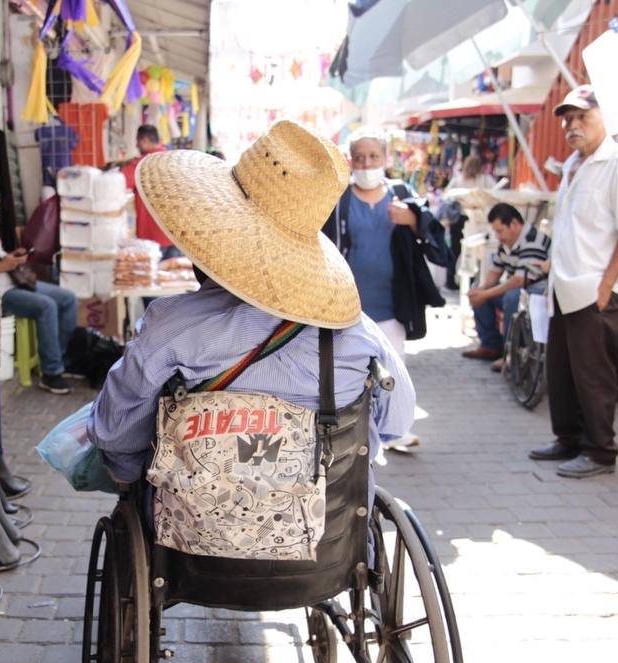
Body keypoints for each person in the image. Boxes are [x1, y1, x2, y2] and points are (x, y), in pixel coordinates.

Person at [88, 120, 415, 492]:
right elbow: (396, 422)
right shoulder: (360, 335)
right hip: (332, 535)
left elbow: (116, 437)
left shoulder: (169, 326)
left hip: (185, 537)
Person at [529, 85, 618, 478]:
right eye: (568, 119)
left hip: (595, 288)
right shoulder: (573, 164)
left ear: (604, 118)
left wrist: (607, 284)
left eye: (582, 117)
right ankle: (569, 440)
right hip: (564, 286)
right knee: (561, 372)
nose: (572, 126)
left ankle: (600, 452)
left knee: (594, 376)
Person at [322, 127, 447, 449]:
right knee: (346, 369)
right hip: (347, 304)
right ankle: (348, 433)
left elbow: (436, 239)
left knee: (394, 369)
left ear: (386, 159)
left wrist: (414, 221)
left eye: (374, 156)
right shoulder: (339, 199)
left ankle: (395, 430)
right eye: (360, 157)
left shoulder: (402, 195)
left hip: (393, 303)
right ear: (351, 160)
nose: (367, 164)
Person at [464, 202, 552, 369]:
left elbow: (519, 280)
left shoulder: (532, 240)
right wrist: (481, 291)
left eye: (500, 231)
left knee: (512, 297)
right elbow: (495, 272)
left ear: (514, 224)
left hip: (538, 290)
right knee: (479, 291)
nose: (498, 236)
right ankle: (491, 345)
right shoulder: (506, 243)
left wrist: (486, 293)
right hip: (518, 287)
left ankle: (510, 353)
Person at [0, 242, 78, 394]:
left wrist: (14, 258)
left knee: (68, 298)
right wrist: (2, 266)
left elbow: (1, 257)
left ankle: (58, 358)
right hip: (1, 293)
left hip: (18, 282)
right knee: (47, 306)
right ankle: (51, 373)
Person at [442, 154, 497, 291]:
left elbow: (447, 194)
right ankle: (472, 281)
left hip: (460, 219)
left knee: (457, 250)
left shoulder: (459, 180)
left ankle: (454, 280)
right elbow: (496, 193)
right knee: (476, 253)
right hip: (479, 221)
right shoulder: (485, 180)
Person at [121, 124, 176, 257]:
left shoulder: (141, 165)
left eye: (137, 141)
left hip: (151, 237)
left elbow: (119, 181)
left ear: (144, 141)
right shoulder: (173, 160)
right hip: (175, 236)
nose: (136, 145)